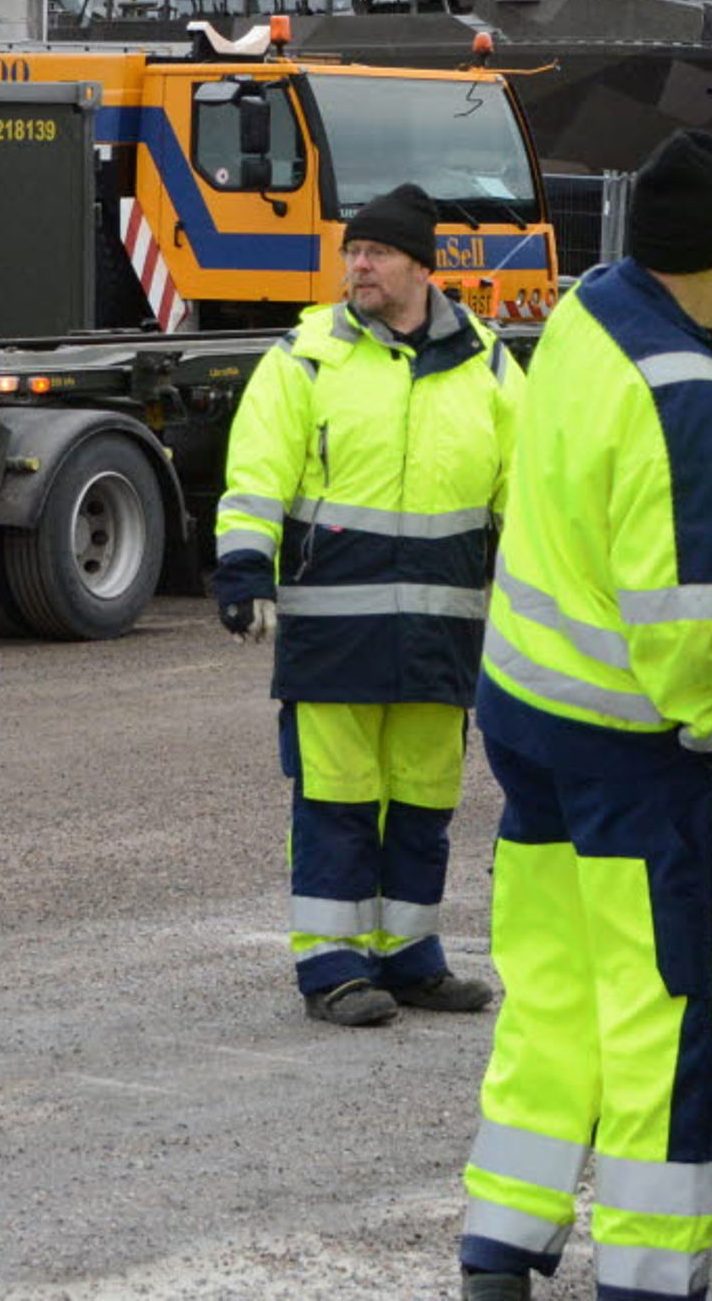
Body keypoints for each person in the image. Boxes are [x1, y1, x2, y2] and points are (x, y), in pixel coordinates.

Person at [456, 129, 712, 1301]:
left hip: (531, 722)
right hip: (642, 761)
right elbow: (692, 633)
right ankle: (647, 1277)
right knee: (666, 1025)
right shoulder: (693, 399)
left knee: (553, 996)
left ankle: (499, 1245)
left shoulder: (595, 309)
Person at [212, 183, 521, 1026]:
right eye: (353, 253)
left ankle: (412, 959)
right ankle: (335, 971)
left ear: (424, 266)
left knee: (423, 805)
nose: (359, 266)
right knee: (338, 804)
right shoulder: (305, 356)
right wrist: (244, 571)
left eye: (377, 253)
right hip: (332, 632)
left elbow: (526, 496)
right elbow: (256, 476)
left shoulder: (489, 364)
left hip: (439, 635)